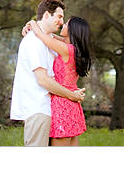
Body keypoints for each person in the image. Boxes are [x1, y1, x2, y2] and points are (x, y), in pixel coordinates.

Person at [10, 0, 86, 146]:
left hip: (53, 107)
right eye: (59, 16)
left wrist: (33, 24)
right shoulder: (35, 41)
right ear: (46, 15)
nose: (61, 22)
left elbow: (51, 39)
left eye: (63, 19)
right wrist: (72, 95)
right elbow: (43, 79)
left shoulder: (52, 42)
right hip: (38, 107)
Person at [24, 15, 92, 146]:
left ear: (73, 30)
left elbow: (42, 36)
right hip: (72, 105)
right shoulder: (73, 49)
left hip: (61, 105)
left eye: (66, 24)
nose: (63, 25)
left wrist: (32, 22)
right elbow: (52, 37)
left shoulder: (66, 49)